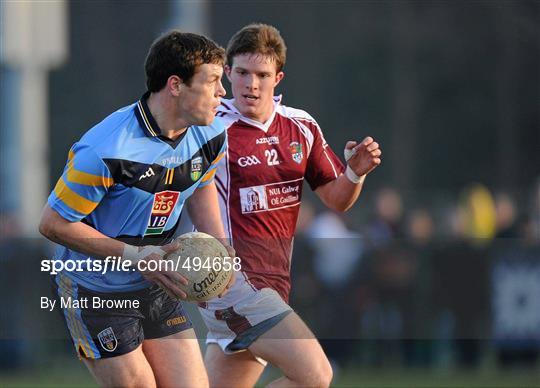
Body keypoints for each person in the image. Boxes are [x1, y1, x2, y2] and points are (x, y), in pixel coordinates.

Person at [39, 30, 235, 387]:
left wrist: (220, 247)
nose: (223, 92)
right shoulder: (105, 150)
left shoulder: (211, 134)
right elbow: (53, 224)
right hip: (95, 289)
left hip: (158, 280)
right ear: (175, 85)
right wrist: (133, 254)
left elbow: (202, 185)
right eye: (213, 82)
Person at [198, 23, 382, 387]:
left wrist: (355, 174)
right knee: (316, 376)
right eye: (243, 73)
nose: (251, 84)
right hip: (233, 283)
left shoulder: (301, 126)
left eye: (262, 74)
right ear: (229, 73)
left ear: (278, 77)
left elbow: (336, 199)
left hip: (274, 285)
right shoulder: (208, 127)